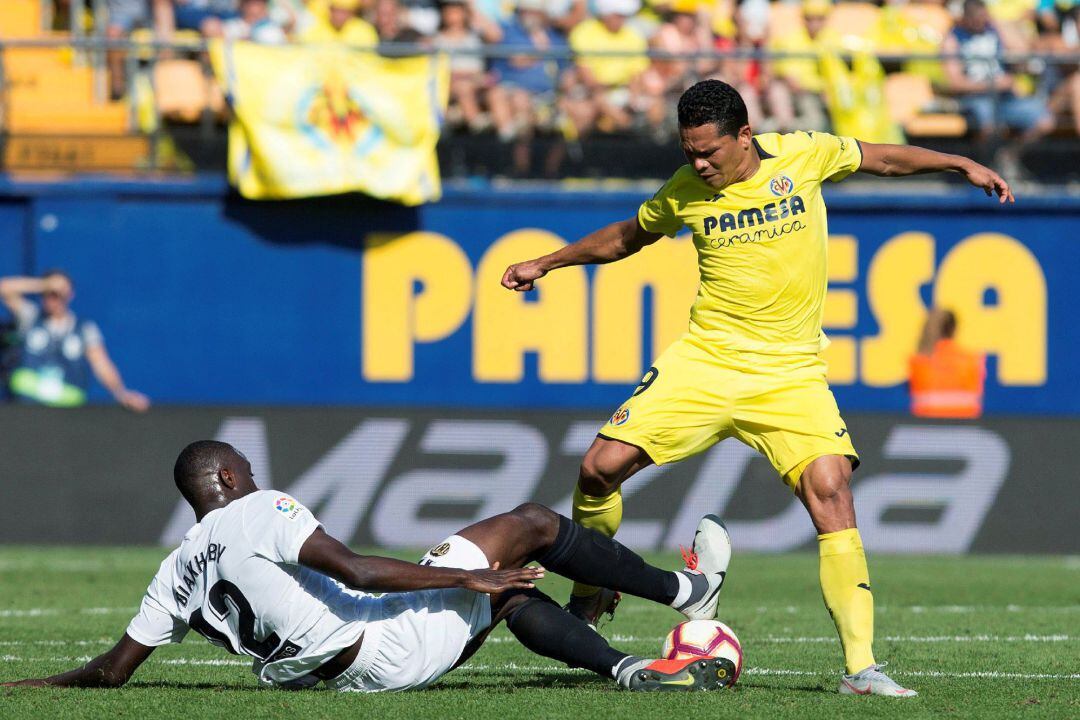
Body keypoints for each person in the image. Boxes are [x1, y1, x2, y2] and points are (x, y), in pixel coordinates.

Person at [501, 79, 1014, 698]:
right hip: (707, 360)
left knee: (832, 492)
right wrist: (546, 263)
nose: (699, 164)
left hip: (789, 372)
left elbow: (881, 157)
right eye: (690, 151)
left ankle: (862, 669)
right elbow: (624, 238)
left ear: (745, 135)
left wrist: (957, 161)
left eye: (709, 151)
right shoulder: (686, 190)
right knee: (596, 470)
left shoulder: (805, 153)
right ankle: (593, 587)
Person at [2, 441, 733, 692]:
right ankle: (690, 592)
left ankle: (627, 669)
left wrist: (35, 683)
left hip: (335, 675)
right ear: (224, 479)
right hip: (385, 644)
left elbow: (114, 669)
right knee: (532, 525)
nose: (255, 478)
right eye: (246, 471)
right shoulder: (259, 509)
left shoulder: (175, 567)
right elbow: (354, 570)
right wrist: (462, 575)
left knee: (506, 597)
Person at [0, 271, 150, 411]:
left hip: (66, 408)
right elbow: (4, 288)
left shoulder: (84, 328)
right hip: (28, 407)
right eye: (48, 294)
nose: (52, 299)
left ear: (69, 295)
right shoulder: (30, 317)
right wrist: (44, 284)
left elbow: (101, 364)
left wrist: (121, 393)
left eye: (58, 294)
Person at [909, 308, 986, 418]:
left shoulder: (917, 362)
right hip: (965, 429)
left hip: (927, 429)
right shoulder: (973, 360)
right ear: (954, 329)